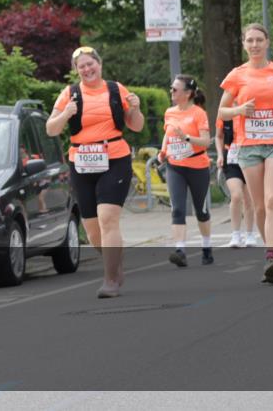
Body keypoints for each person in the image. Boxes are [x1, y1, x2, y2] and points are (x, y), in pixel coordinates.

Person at [46, 46, 144, 298]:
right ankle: (115, 265)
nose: (87, 69)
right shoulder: (69, 93)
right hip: (81, 162)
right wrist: (66, 114)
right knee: (92, 231)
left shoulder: (115, 89)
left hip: (114, 159)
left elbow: (136, 125)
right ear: (76, 70)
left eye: (91, 64)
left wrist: (135, 108)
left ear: (99, 64)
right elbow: (51, 129)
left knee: (107, 218)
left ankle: (110, 280)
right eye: (82, 66)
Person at [218, 22, 273, 284]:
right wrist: (240, 110)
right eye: (249, 40)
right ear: (244, 44)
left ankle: (271, 255)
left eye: (259, 40)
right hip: (249, 145)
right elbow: (222, 111)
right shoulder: (236, 75)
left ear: (267, 42)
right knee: (259, 205)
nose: (254, 45)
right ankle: (272, 256)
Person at [157, 75, 213, 267]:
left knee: (201, 211)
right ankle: (180, 250)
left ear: (187, 93)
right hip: (175, 167)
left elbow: (206, 141)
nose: (171, 92)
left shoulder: (198, 113)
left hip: (197, 166)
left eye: (175, 89)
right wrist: (163, 151)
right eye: (171, 88)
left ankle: (207, 248)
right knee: (177, 209)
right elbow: (168, 133)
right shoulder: (169, 112)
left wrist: (187, 138)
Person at [215, 117, 258, 247]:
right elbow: (218, 136)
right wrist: (220, 155)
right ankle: (235, 235)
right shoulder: (225, 114)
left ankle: (250, 234)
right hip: (232, 161)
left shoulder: (251, 111)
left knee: (248, 199)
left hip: (251, 160)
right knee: (236, 195)